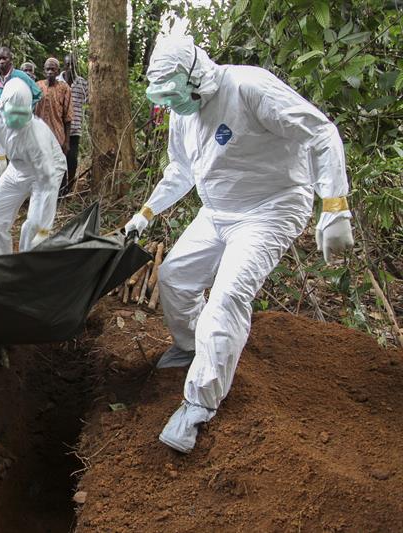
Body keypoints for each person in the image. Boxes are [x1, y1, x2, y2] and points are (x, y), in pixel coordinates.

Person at [123, 36, 355, 453]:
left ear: (196, 77)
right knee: (174, 277)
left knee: (227, 297)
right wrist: (146, 212)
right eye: (167, 98)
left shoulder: (249, 88)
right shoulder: (182, 112)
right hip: (217, 209)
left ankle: (198, 404)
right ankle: (192, 344)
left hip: (271, 207)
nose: (174, 105)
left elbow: (320, 133)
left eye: (176, 94)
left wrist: (335, 206)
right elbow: (181, 170)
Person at [0, 78, 66, 255]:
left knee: (32, 228)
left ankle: (28, 272)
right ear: (2, 107)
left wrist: (44, 227)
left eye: (22, 115)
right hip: (17, 166)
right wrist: (1, 158)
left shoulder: (37, 137)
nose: (16, 120)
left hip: (45, 171)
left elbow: (48, 185)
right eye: (12, 113)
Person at [0, 47, 42, 187]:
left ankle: (17, 197)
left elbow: (37, 94)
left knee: (17, 163)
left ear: (11, 59)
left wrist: (24, 110)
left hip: (16, 129)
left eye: (5, 58)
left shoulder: (20, 76)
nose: (2, 61)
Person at [57, 54, 89, 195]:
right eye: (68, 64)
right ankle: (61, 189)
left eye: (73, 64)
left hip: (75, 129)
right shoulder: (57, 82)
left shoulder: (82, 83)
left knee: (72, 159)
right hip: (59, 129)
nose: (70, 67)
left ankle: (69, 187)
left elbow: (88, 102)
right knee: (59, 159)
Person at [34, 57, 72, 154]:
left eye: (53, 69)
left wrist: (67, 142)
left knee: (57, 166)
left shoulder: (64, 88)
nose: (50, 72)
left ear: (58, 71)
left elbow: (68, 116)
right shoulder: (37, 86)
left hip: (57, 136)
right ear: (44, 71)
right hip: (39, 136)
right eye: (48, 69)